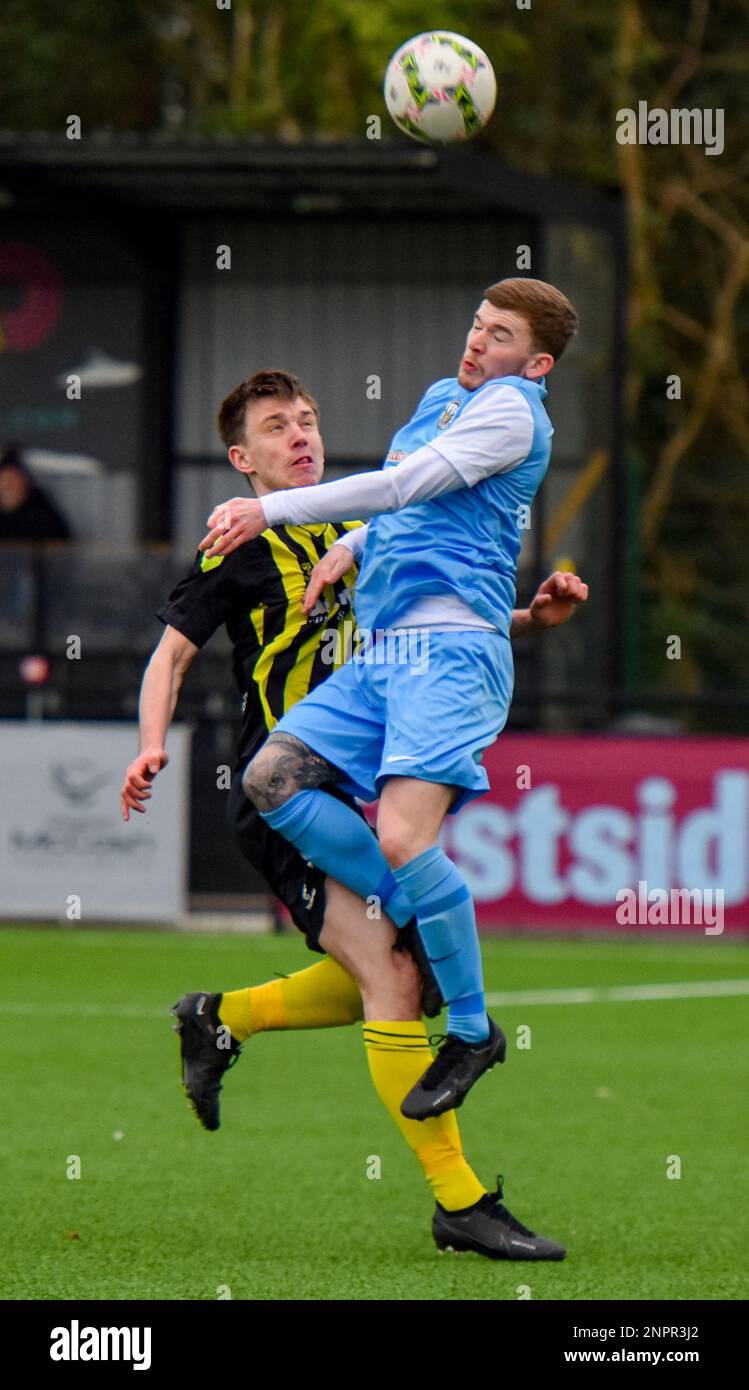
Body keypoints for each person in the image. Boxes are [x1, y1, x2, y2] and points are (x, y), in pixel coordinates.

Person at [122, 366, 586, 1261]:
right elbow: (168, 657)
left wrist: (530, 616)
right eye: (273, 428)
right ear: (239, 459)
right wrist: (149, 743)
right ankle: (458, 1201)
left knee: (399, 963)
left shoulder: (363, 526)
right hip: (288, 800)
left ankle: (223, 1017)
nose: (299, 435)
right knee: (395, 978)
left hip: (355, 784)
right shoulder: (241, 543)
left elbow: (434, 622)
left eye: (306, 419)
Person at [200, 277, 579, 1137]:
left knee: (404, 838)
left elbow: (406, 486)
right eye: (478, 325)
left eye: (501, 335)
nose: (479, 342)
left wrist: (276, 512)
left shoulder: (514, 411)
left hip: (448, 653)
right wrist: (357, 545)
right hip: (388, 653)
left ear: (537, 361)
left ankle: (474, 1031)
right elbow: (412, 502)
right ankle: (420, 922)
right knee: (273, 779)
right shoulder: (448, 397)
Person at [0, 445, 71, 542]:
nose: (9, 485)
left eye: (14, 480)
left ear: (24, 482)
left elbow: (61, 545)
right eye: (5, 480)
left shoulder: (42, 514)